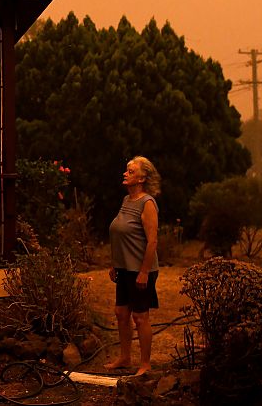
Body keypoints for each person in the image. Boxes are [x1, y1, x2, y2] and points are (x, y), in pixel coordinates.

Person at [105, 155, 161, 376]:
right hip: (124, 268)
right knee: (121, 313)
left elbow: (153, 241)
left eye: (130, 171)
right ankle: (125, 357)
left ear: (142, 177)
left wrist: (144, 271)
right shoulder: (126, 201)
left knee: (140, 316)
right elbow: (120, 234)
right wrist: (114, 264)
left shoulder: (147, 203)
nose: (125, 173)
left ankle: (145, 364)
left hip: (141, 270)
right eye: (126, 170)